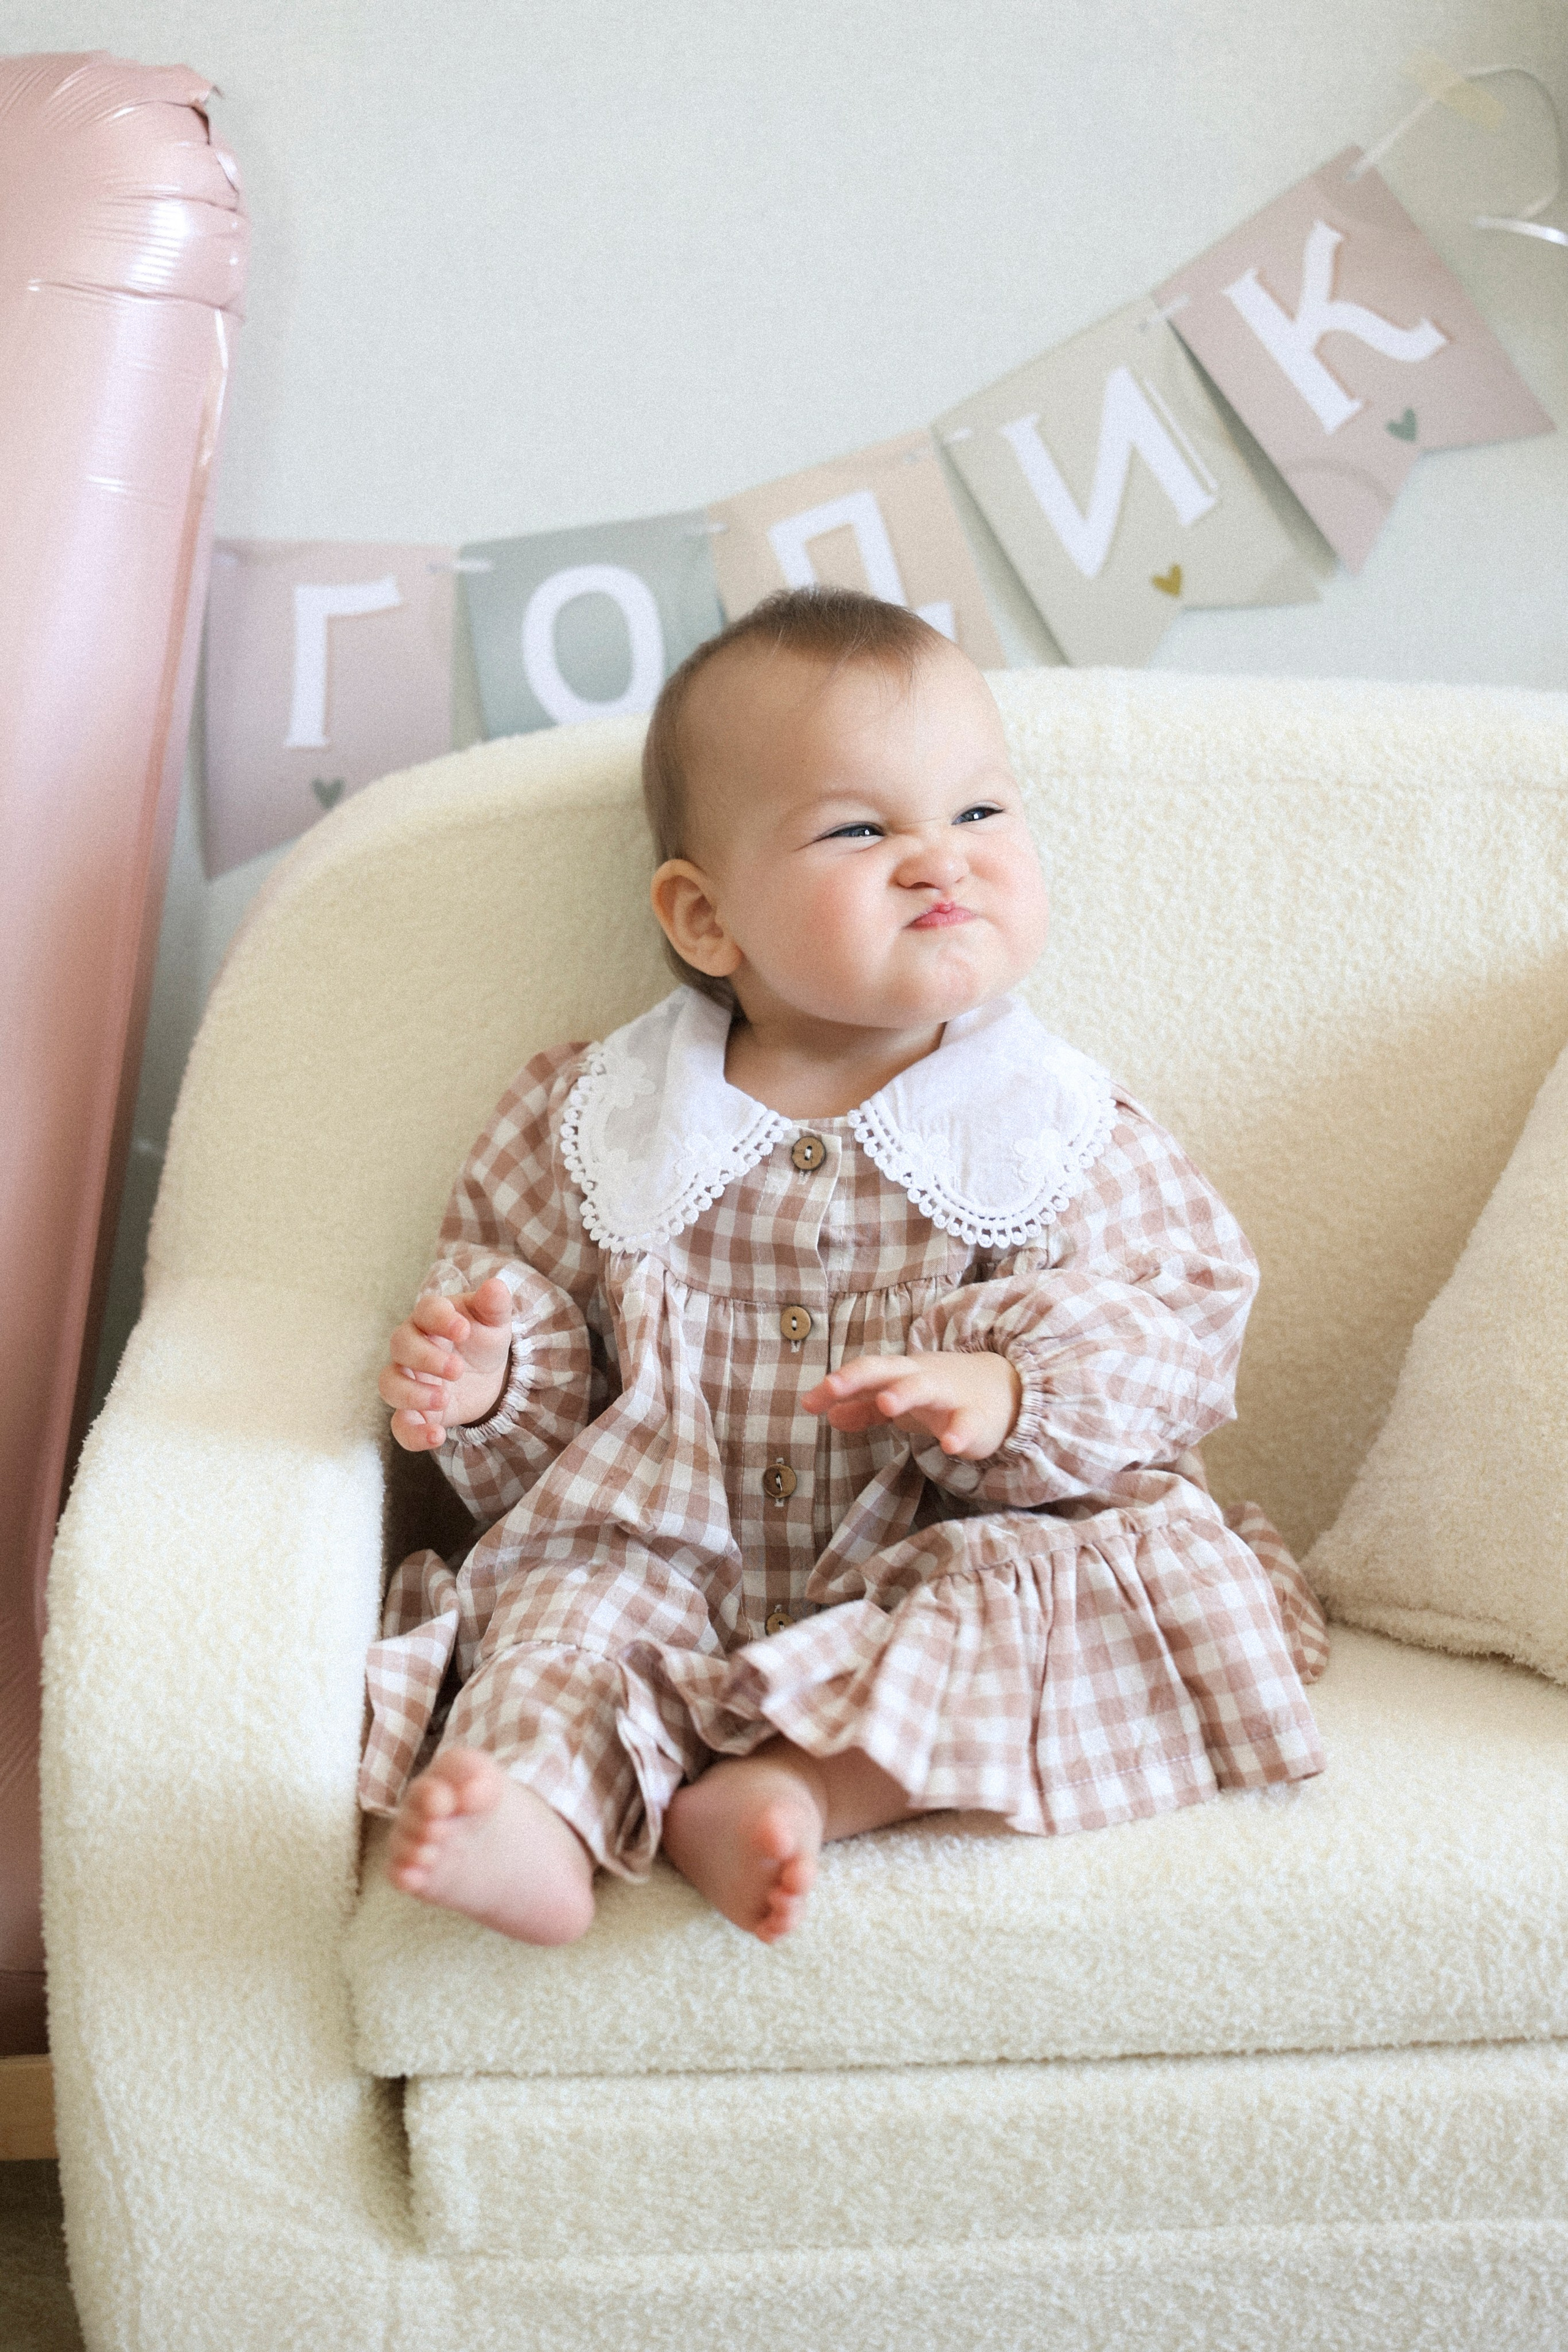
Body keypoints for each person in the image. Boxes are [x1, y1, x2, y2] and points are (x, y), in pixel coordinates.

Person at [359, 586, 1327, 1949]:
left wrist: (1015, 1387)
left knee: (1099, 1588)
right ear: (706, 918)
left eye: (979, 811)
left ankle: (797, 1789)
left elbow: (1180, 1323)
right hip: (666, 1550)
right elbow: (533, 1342)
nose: (941, 861)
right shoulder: (601, 1119)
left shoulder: (1051, 1125)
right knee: (563, 1612)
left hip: (943, 1549)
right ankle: (532, 1810)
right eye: (861, 830)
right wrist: (490, 1371)